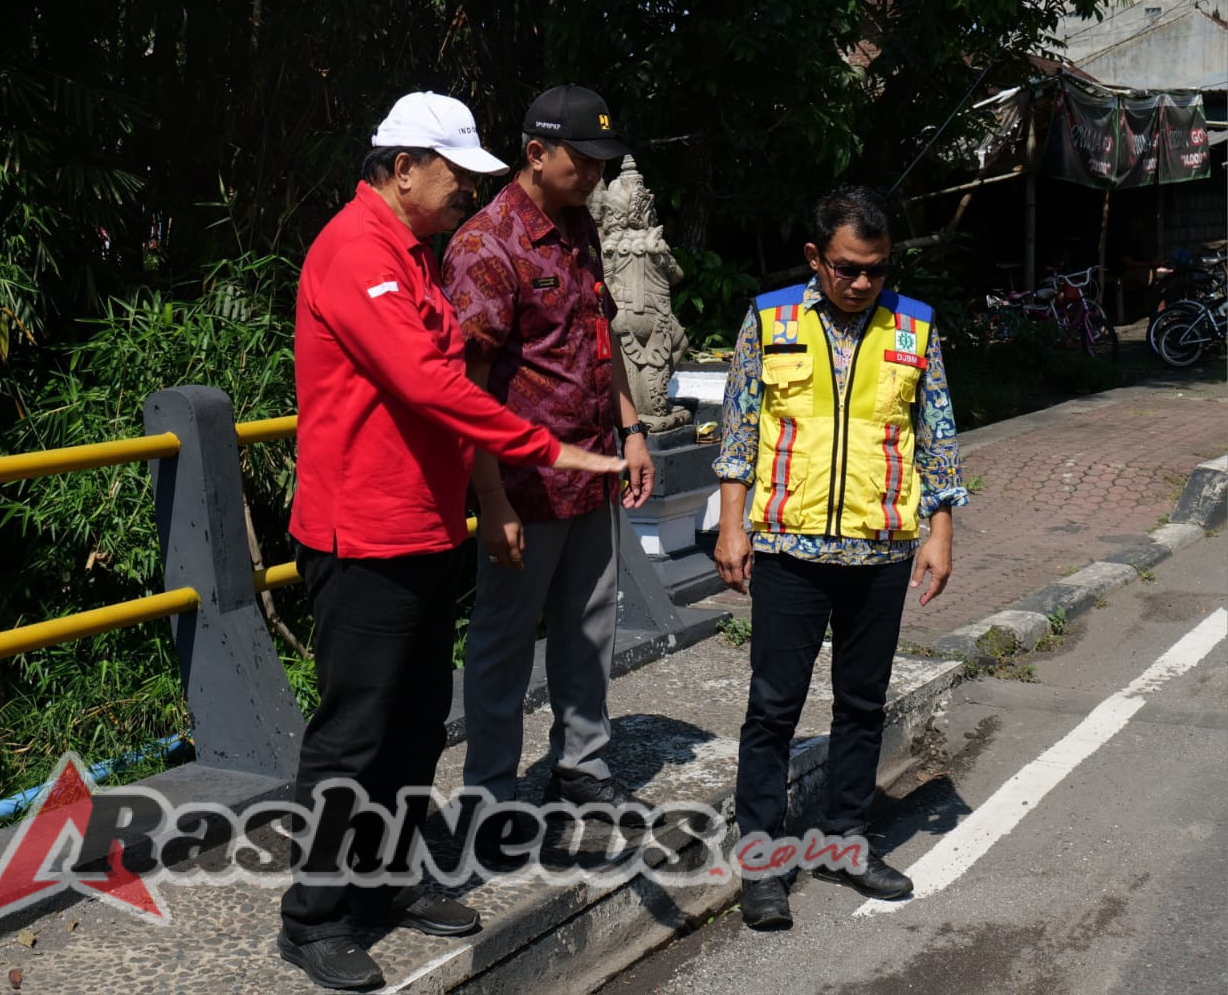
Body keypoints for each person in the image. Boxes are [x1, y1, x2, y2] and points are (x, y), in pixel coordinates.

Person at [280, 90, 627, 991]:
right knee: (355, 733)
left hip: (425, 525)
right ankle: (315, 915)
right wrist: (545, 447)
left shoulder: (414, 251)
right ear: (403, 170)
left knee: (414, 724)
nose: (466, 192)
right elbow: (435, 384)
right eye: (454, 176)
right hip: (364, 533)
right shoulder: (357, 252)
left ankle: (389, 881)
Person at [711, 184, 967, 929]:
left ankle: (846, 841)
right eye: (848, 268)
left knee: (862, 704)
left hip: (880, 545)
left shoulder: (915, 326)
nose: (861, 284)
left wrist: (940, 530)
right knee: (773, 708)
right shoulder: (770, 318)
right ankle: (762, 861)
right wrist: (734, 527)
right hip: (788, 547)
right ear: (815, 257)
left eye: (877, 270)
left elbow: (937, 434)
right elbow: (739, 432)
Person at [441, 84, 653, 812]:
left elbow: (604, 336)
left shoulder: (578, 229)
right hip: (525, 485)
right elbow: (465, 386)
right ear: (537, 152)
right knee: (502, 644)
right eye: (583, 161)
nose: (595, 175)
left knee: (591, 628)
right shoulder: (485, 244)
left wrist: (632, 429)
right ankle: (491, 793)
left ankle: (583, 771)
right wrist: (490, 497)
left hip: (594, 469)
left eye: (602, 162)